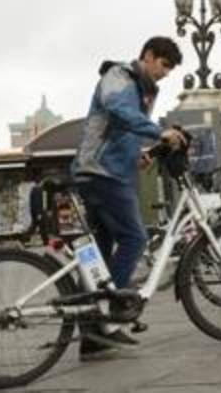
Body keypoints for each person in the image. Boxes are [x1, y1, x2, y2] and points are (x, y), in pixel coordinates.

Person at [70, 36, 186, 360]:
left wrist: (138, 154)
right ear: (148, 55)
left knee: (100, 256)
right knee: (135, 239)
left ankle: (91, 335)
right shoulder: (120, 75)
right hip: (101, 172)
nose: (165, 73)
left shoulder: (142, 87)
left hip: (106, 171)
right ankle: (109, 314)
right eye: (163, 65)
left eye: (170, 69)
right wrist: (158, 131)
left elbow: (118, 132)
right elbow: (119, 112)